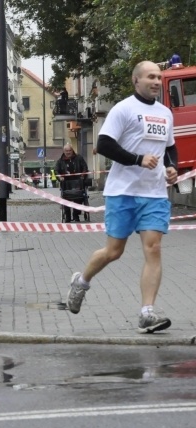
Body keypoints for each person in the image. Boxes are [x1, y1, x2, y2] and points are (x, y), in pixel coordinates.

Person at [67, 60, 178, 333]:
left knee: (153, 248)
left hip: (153, 193)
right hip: (123, 192)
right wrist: (138, 159)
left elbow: (170, 148)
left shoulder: (166, 113)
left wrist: (172, 167)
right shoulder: (124, 109)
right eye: (150, 77)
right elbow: (104, 144)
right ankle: (81, 281)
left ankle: (147, 312)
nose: (155, 81)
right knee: (114, 251)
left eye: (158, 77)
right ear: (136, 80)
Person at [55, 143, 89, 222]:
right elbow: (56, 170)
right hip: (66, 183)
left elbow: (85, 167)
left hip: (78, 182)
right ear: (64, 151)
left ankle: (76, 215)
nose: (68, 152)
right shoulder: (60, 161)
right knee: (66, 198)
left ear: (72, 150)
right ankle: (68, 216)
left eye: (70, 150)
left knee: (79, 197)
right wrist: (60, 177)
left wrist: (83, 175)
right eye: (66, 151)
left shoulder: (79, 158)